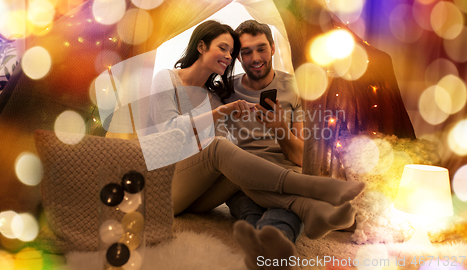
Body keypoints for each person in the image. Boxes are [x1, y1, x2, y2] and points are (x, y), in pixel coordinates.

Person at [145, 20, 364, 249]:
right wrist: (222, 113)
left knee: (248, 188)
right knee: (222, 152)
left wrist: (278, 129)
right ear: (201, 47)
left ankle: (305, 213)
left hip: (216, 186)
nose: (229, 56)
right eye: (230, 50)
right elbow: (170, 130)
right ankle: (311, 190)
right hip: (164, 187)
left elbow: (229, 147)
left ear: (272, 48)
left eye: (231, 51)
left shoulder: (215, 96)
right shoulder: (176, 81)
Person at [223, 20, 307, 269]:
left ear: (272, 48)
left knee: (286, 210)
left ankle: (268, 251)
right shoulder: (225, 91)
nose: (255, 58)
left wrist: (281, 130)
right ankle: (268, 251)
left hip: (285, 176)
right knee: (249, 208)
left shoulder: (295, 88)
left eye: (261, 48)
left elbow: (303, 157)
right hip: (243, 179)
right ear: (238, 57)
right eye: (246, 52)